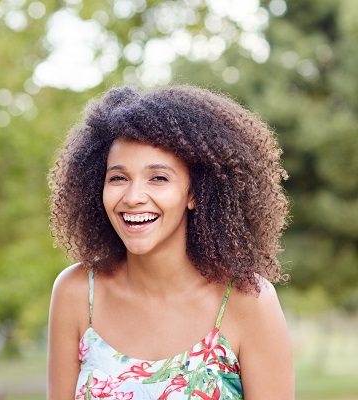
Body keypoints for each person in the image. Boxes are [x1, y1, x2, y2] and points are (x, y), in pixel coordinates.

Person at [46, 85, 294, 400]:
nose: (133, 197)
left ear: (194, 193)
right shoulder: (77, 293)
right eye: (118, 178)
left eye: (158, 178)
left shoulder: (248, 302)